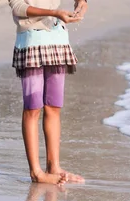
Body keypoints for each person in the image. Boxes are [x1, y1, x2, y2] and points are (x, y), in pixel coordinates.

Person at [8, 0, 89, 185]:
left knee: (53, 107)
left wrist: (81, 5)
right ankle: (36, 172)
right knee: (32, 108)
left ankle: (54, 167)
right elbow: (19, 8)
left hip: (58, 42)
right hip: (30, 43)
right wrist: (54, 13)